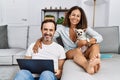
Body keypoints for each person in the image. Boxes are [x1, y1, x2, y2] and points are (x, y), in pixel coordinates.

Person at [33, 6, 103, 74]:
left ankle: (93, 64)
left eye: (78, 16)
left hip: (84, 51)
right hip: (69, 52)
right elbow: (49, 35)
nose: (75, 17)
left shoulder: (85, 28)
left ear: (80, 18)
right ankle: (87, 66)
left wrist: (87, 41)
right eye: (73, 15)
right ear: (69, 16)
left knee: (95, 45)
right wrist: (38, 41)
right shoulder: (61, 29)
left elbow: (99, 37)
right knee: (77, 50)